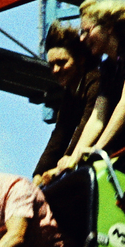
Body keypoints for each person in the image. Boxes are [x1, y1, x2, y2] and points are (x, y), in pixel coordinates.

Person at [34, 21, 110, 184]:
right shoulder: (71, 92)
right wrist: (38, 174)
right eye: (51, 65)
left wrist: (65, 163)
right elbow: (60, 134)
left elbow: (85, 126)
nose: (55, 70)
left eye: (61, 62)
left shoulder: (95, 81)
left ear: (80, 60)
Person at [77, 0, 125, 157]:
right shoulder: (108, 67)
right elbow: (97, 118)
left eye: (87, 31)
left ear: (108, 27)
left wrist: (98, 148)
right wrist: (75, 157)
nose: (82, 39)